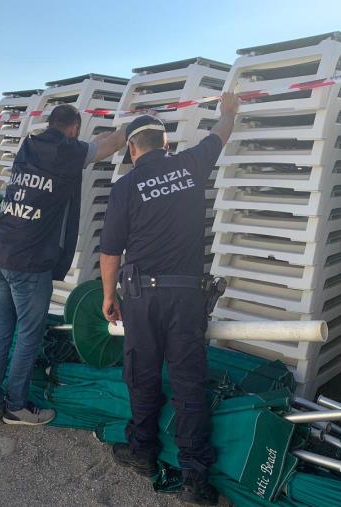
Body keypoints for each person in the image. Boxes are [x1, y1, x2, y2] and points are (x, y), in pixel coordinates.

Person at [98, 93, 239, 505]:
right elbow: (219, 134)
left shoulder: (125, 187)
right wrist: (228, 110)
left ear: (132, 148)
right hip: (186, 296)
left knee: (141, 375)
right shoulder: (191, 165)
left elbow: (110, 252)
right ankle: (196, 479)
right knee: (189, 384)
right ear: (166, 145)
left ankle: (142, 451)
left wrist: (109, 296)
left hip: (142, 297)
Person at [0, 104, 128, 427]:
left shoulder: (30, 145)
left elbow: (92, 145)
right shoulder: (68, 152)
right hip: (28, 261)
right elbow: (111, 145)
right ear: (74, 127)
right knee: (29, 334)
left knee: (0, 332)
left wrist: (95, 140)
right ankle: (16, 406)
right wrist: (131, 125)